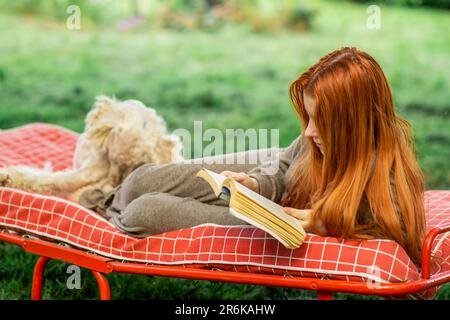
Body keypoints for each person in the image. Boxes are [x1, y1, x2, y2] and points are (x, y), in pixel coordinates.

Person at [80, 47, 426, 267]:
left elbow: (392, 230)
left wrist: (324, 220)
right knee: (142, 179)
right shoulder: (313, 142)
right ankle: (105, 200)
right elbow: (285, 168)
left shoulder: (387, 172)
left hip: (286, 221)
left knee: (148, 209)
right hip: (280, 179)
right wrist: (255, 183)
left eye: (321, 122)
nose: (308, 131)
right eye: (308, 118)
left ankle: (111, 210)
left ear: (353, 124)